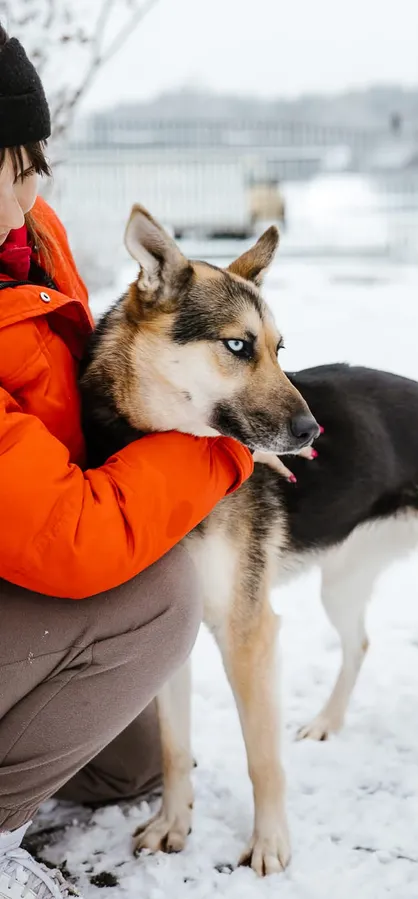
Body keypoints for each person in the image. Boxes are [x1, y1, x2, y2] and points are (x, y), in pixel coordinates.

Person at [0, 26, 258, 899]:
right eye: (20, 161)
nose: (40, 184)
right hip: (33, 545)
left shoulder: (29, 237)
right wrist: (222, 447)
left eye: (41, 161)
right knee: (163, 594)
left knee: (130, 762)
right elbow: (72, 539)